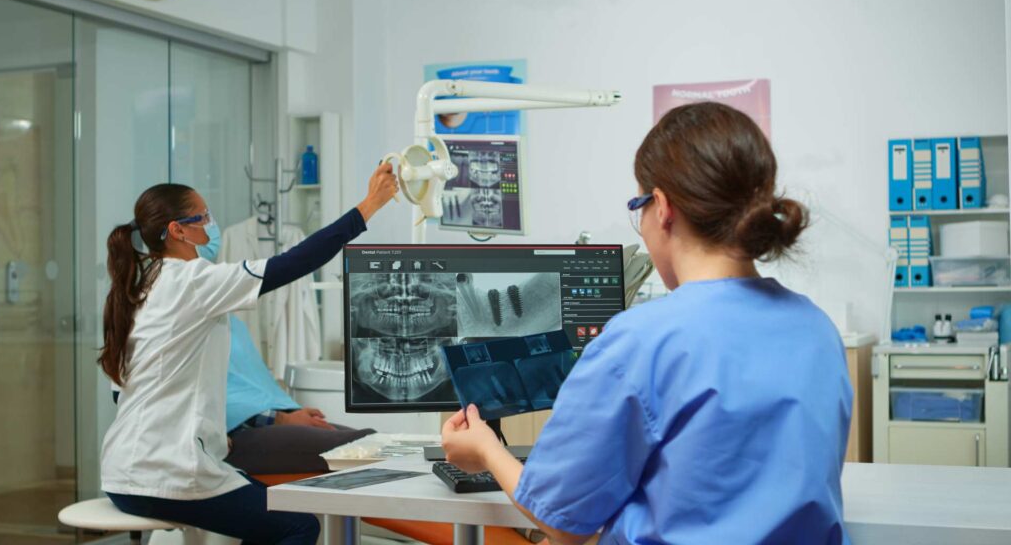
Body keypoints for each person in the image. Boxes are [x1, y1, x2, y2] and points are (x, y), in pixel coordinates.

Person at [441, 102, 852, 544]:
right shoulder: (816, 329)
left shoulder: (640, 340)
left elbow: (561, 522)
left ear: (661, 207)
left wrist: (485, 448)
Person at [99, 163, 397, 544]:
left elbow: (119, 393)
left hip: (123, 471)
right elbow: (294, 263)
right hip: (167, 473)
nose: (210, 226)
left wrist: (210, 436)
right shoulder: (192, 281)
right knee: (298, 524)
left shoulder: (138, 289)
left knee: (265, 513)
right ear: (177, 231)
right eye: (203, 217)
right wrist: (369, 205)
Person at [223, 314, 375, 475]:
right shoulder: (200, 322)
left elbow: (251, 383)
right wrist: (281, 418)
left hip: (266, 418)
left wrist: (291, 413)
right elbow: (212, 398)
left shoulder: (232, 322)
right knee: (369, 445)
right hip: (233, 436)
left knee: (378, 441)